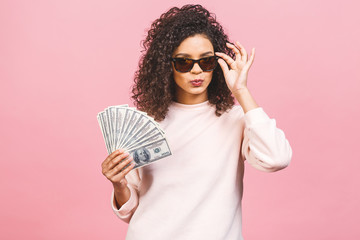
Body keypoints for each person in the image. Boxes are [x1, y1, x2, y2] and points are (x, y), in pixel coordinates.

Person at [101, 4, 292, 240]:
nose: (196, 70)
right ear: (166, 66)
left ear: (217, 64)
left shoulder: (236, 120)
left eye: (207, 61)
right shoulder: (145, 123)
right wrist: (118, 184)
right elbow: (129, 211)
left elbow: (277, 158)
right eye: (184, 62)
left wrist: (241, 90)